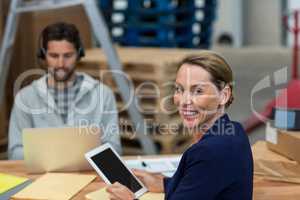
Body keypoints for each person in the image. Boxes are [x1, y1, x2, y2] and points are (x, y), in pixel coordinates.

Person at [106, 51, 253, 200]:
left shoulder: (208, 152)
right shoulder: (235, 131)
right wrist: (165, 183)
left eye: (198, 91)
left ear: (224, 95)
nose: (184, 101)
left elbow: (207, 171)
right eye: (179, 89)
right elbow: (206, 183)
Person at [8, 22, 122, 160]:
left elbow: (114, 148)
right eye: (54, 56)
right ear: (43, 55)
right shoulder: (25, 98)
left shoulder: (103, 94)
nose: (61, 64)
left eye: (68, 56)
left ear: (79, 54)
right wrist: (61, 155)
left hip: (88, 176)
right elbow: (15, 153)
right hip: (43, 178)